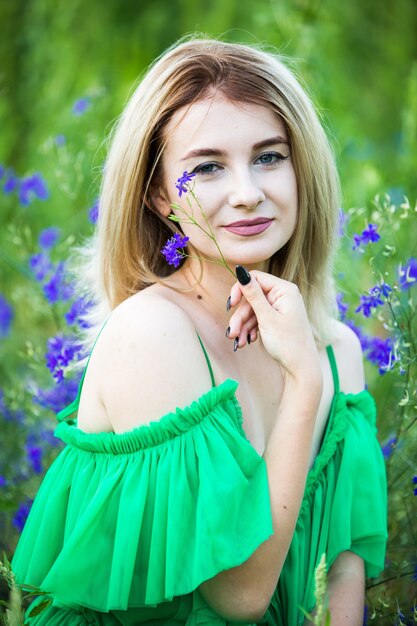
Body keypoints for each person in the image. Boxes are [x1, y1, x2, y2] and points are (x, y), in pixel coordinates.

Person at [12, 36, 387, 626]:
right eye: (208, 167)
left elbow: (340, 571)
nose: (248, 193)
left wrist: (309, 363)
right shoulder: (152, 333)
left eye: (270, 156)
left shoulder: (337, 348)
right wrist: (302, 384)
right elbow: (239, 598)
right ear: (160, 196)